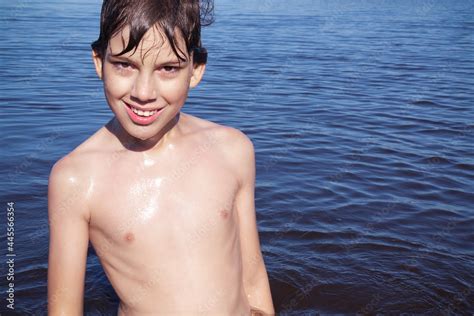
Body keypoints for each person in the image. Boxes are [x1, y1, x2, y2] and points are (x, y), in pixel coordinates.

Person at [47, 0, 275, 315]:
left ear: (195, 70)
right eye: (125, 65)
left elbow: (252, 274)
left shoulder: (232, 150)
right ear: (99, 62)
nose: (144, 92)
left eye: (167, 68)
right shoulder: (76, 179)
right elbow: (64, 309)